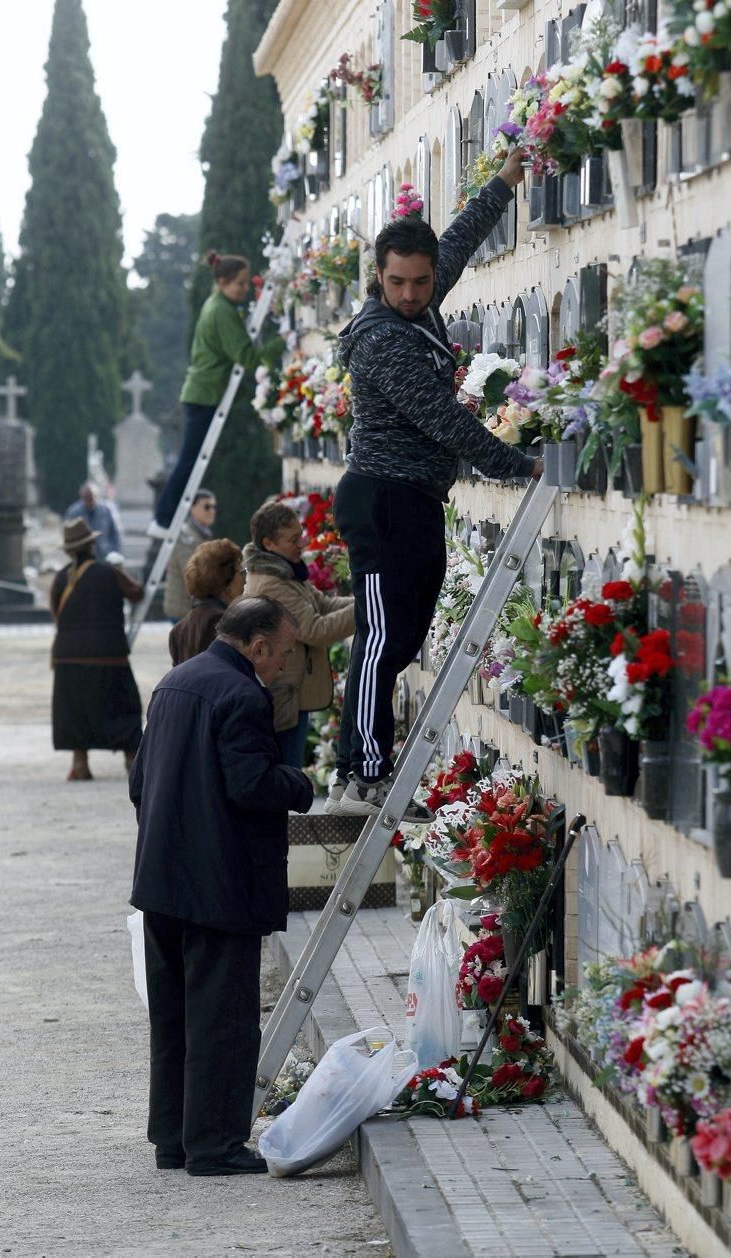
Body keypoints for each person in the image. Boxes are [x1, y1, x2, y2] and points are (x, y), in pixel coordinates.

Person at [332, 148, 542, 821]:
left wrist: (508, 179)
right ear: (379, 277)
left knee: (403, 635)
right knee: (380, 640)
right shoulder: (381, 338)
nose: (412, 294)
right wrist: (519, 464)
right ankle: (361, 774)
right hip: (380, 500)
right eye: (398, 283)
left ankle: (367, 764)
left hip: (416, 502)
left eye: (421, 283)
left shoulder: (421, 302)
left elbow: (456, 239)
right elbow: (443, 419)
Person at [129, 598, 313, 1177]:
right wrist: (300, 783)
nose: (283, 665)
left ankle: (173, 1139)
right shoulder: (241, 694)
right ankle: (214, 1146)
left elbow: (140, 782)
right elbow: (251, 783)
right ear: (256, 646)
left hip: (162, 877)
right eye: (282, 653)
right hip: (220, 881)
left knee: (175, 1013)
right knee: (223, 1015)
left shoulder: (174, 683)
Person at [148, 253, 268, 537]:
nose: (244, 289)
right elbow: (247, 357)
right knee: (189, 460)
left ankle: (165, 519)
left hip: (203, 392)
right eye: (239, 284)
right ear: (223, 282)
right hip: (204, 394)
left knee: (190, 458)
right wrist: (276, 347)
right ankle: (164, 520)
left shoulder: (219, 304)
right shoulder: (221, 311)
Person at [242, 501, 355, 768]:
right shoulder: (272, 583)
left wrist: (365, 601)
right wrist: (369, 609)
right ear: (269, 544)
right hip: (284, 694)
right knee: (284, 769)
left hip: (292, 689)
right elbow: (315, 630)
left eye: (300, 536)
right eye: (293, 539)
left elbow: (323, 604)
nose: (301, 544)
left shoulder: (284, 571)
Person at [50, 517, 143, 781]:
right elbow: (136, 593)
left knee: (75, 711)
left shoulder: (60, 578)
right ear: (91, 545)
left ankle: (80, 763)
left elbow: (57, 614)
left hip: (68, 657)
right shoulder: (109, 572)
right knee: (123, 708)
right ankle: (131, 758)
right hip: (109, 655)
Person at [168, 538, 244, 665]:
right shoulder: (223, 623)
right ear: (225, 580)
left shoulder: (179, 629)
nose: (244, 580)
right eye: (241, 572)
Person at [163, 488, 218, 622]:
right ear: (192, 508)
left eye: (213, 507)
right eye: (207, 506)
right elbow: (191, 574)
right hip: (183, 611)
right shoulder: (185, 536)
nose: (212, 511)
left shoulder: (202, 534)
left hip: (193, 608)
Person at [63, 482, 122, 560]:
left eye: (92, 496)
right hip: (82, 557)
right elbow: (67, 535)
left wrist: (114, 552)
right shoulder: (74, 513)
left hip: (104, 556)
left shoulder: (105, 511)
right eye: (86, 497)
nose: (90, 500)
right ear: (82, 497)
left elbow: (115, 534)